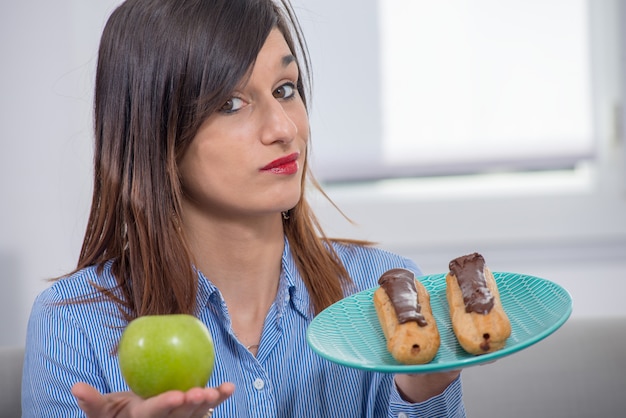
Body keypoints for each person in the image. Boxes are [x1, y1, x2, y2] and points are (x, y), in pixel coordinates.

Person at [21, 0, 465, 416]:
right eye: (231, 104)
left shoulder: (382, 292)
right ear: (155, 137)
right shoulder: (73, 325)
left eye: (285, 89)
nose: (283, 127)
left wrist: (423, 393)